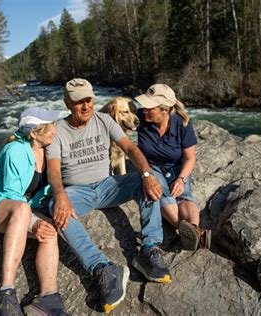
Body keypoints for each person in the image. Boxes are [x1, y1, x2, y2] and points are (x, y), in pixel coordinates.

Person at [45, 78, 171, 314]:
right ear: (66, 103)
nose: (85, 106)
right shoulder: (58, 129)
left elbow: (131, 149)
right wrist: (60, 194)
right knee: (55, 207)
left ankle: (149, 249)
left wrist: (145, 173)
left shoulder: (104, 120)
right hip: (77, 192)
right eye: (78, 101)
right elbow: (53, 168)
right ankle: (103, 268)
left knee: (150, 180)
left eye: (89, 100)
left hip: (108, 185)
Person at [0, 107, 68, 316]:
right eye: (50, 128)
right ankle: (5, 291)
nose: (54, 131)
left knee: (49, 230)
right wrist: (33, 223)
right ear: (34, 133)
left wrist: (40, 222)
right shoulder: (15, 150)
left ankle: (49, 298)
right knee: (23, 210)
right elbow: (13, 196)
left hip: (24, 210)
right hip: (0, 206)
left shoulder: (48, 150)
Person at [134, 84, 211, 251]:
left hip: (177, 167)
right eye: (144, 106)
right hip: (152, 166)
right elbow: (118, 115)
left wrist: (181, 179)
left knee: (183, 195)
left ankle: (194, 229)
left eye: (150, 107)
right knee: (160, 194)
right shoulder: (139, 117)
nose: (144, 110)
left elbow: (190, 158)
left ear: (165, 110)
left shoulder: (182, 124)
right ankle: (193, 234)